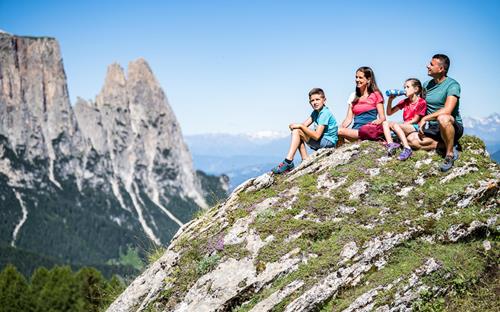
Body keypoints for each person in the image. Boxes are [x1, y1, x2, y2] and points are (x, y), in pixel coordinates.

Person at [407, 54, 463, 172]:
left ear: (441, 69)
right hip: (433, 127)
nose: (427, 66)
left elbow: (448, 110)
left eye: (431, 64)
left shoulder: (452, 85)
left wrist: (426, 118)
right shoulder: (427, 85)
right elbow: (420, 105)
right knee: (411, 140)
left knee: (443, 118)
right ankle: (448, 144)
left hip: (450, 125)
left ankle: (449, 154)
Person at [271, 88, 338, 174]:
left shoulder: (325, 113)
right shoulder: (316, 112)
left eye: (317, 99)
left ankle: (288, 162)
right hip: (322, 141)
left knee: (298, 131)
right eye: (312, 101)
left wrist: (299, 126)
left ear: (324, 100)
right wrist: (296, 126)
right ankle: (304, 160)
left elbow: (317, 136)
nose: (315, 102)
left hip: (328, 142)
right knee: (297, 131)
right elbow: (304, 125)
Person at [382, 78, 427, 160]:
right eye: (404, 87)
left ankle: (407, 148)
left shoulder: (421, 102)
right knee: (385, 123)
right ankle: (391, 145)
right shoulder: (405, 101)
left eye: (407, 87)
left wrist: (400, 125)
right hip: (405, 126)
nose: (405, 89)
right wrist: (390, 100)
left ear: (416, 89)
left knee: (395, 125)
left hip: (415, 126)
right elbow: (389, 113)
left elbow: (415, 120)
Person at [338, 66, 385, 142]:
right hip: (356, 131)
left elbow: (382, 118)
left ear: (368, 79)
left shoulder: (376, 94)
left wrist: (377, 122)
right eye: (356, 77)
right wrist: (341, 128)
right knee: (336, 133)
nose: (357, 80)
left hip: (369, 129)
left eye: (360, 77)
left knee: (339, 132)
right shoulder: (353, 96)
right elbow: (348, 119)